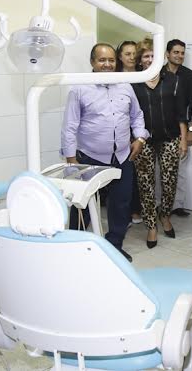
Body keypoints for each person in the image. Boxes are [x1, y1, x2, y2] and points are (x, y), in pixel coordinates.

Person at [61, 43, 149, 262]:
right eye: (102, 60)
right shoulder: (79, 88)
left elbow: (137, 115)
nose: (107, 64)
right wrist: (71, 160)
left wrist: (140, 137)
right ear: (92, 62)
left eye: (111, 60)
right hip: (89, 157)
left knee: (121, 204)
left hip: (122, 157)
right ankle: (73, 248)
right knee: (81, 206)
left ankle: (114, 247)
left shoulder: (125, 86)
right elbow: (69, 126)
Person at [131, 38, 188, 248]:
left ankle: (164, 215)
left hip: (170, 138)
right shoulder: (133, 83)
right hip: (143, 140)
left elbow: (181, 113)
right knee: (145, 183)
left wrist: (183, 139)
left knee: (169, 181)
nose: (150, 59)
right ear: (140, 60)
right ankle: (151, 225)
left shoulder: (172, 80)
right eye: (146, 56)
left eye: (153, 56)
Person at [165, 38, 192, 217]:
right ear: (167, 54)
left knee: (180, 170)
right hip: (161, 128)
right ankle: (160, 205)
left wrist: (191, 131)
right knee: (160, 172)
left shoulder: (189, 76)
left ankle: (177, 205)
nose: (179, 56)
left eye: (182, 53)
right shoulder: (158, 73)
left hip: (182, 129)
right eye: (176, 52)